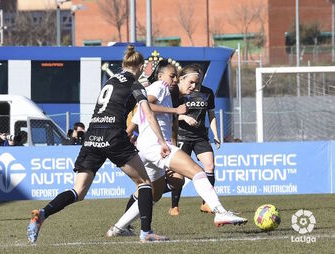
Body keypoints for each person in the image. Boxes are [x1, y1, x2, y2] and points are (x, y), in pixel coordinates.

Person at [27, 45, 171, 244]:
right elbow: (147, 113)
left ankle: (43, 213)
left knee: (78, 191)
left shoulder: (109, 81)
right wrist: (162, 141)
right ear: (139, 67)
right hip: (113, 135)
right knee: (144, 183)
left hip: (93, 134)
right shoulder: (134, 84)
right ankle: (146, 232)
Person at [106, 62, 247, 237]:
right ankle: (220, 211)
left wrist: (170, 139)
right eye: (174, 77)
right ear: (166, 77)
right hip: (155, 146)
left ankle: (118, 229)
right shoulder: (161, 87)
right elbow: (147, 106)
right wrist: (175, 111)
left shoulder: (171, 95)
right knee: (197, 171)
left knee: (154, 194)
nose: (193, 86)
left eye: (197, 83)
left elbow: (168, 126)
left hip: (150, 147)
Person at [168, 65, 222, 216]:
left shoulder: (207, 93)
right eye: (192, 81)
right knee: (180, 172)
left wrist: (216, 134)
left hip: (200, 136)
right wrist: (183, 117)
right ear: (184, 79)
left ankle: (207, 203)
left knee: (210, 165)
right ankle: (174, 206)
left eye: (197, 81)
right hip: (182, 135)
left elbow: (211, 115)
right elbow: (170, 114)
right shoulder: (179, 92)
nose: (194, 85)